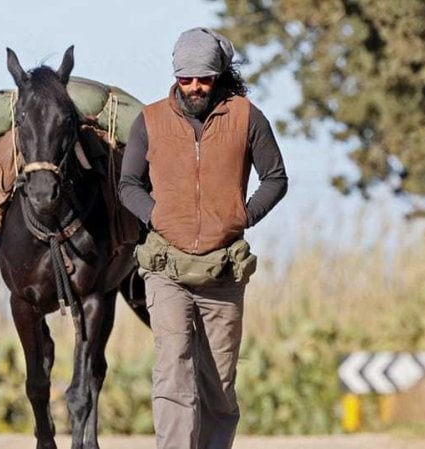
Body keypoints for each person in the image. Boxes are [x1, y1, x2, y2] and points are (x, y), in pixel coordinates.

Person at [118, 27, 288, 449]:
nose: (195, 87)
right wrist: (157, 215)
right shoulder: (150, 120)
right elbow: (128, 185)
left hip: (223, 273)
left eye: (205, 78)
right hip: (166, 271)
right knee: (173, 370)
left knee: (219, 385)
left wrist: (242, 216)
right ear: (176, 76)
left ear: (219, 75)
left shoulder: (247, 117)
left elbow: (275, 178)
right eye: (187, 78)